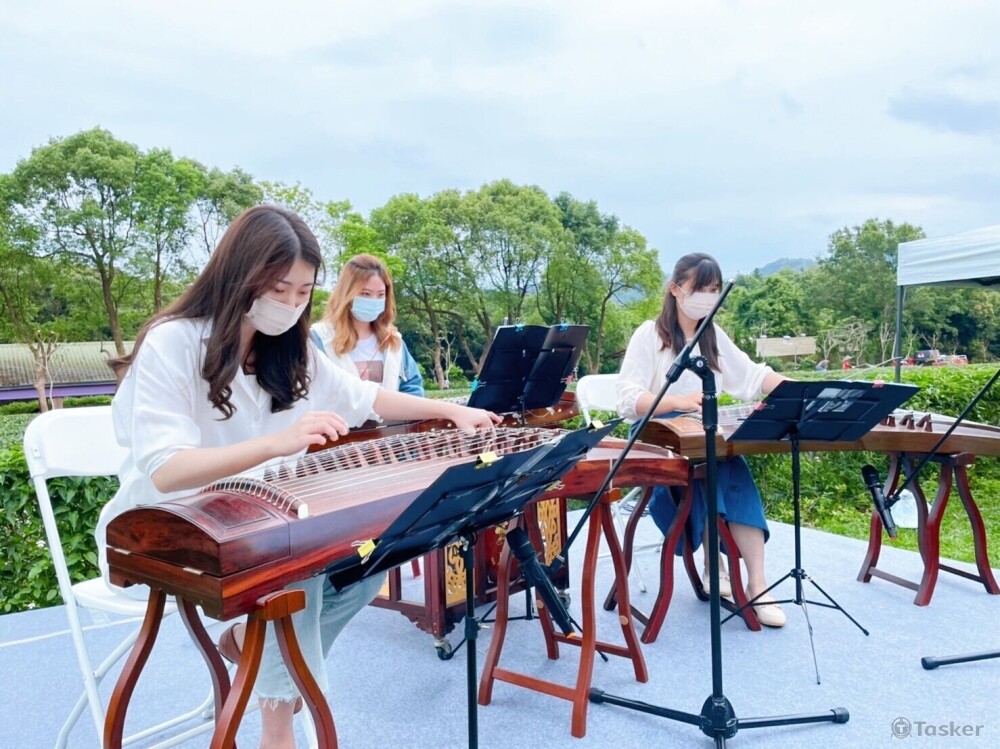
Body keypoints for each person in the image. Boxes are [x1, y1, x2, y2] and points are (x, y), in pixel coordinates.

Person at [99, 205, 500, 749]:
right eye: (278, 289)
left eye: (302, 292)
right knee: (298, 565)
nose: (289, 306)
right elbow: (168, 470)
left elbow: (364, 398)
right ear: (239, 275)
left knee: (369, 561)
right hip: (165, 526)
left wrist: (451, 411)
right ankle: (278, 727)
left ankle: (251, 645)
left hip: (257, 516)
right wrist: (278, 443)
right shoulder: (173, 342)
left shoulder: (288, 350)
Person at [616, 252, 788, 628]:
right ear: (676, 289)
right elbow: (628, 398)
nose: (708, 297)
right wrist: (676, 401)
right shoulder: (651, 334)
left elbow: (753, 376)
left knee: (732, 467)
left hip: (700, 429)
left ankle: (757, 583)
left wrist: (800, 393)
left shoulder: (712, 334)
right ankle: (714, 562)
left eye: (714, 290)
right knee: (711, 465)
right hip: (655, 432)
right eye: (700, 288)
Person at [311, 254, 423, 399]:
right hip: (339, 421)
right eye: (365, 293)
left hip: (391, 421)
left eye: (380, 294)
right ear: (347, 294)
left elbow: (413, 388)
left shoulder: (393, 341)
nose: (373, 300)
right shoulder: (319, 338)